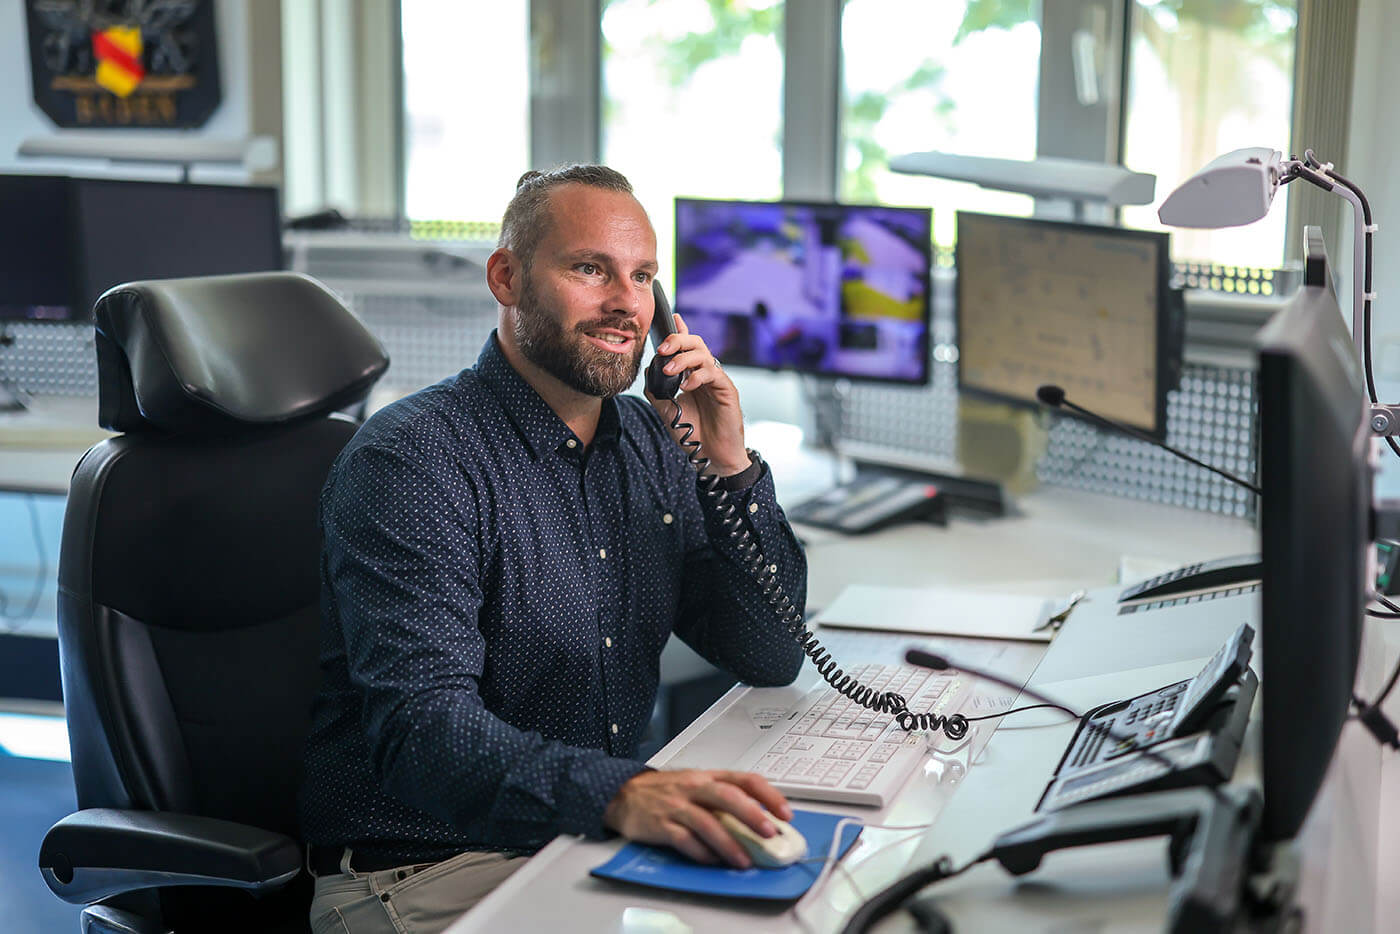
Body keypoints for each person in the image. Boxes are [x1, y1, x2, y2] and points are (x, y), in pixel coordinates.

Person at [298, 164, 809, 933]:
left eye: (642, 277)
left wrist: (730, 468)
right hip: (426, 874)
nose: (625, 304)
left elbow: (770, 653)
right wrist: (621, 794)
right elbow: (423, 730)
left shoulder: (653, 441)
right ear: (506, 277)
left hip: (580, 840)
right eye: (589, 268)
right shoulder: (413, 460)